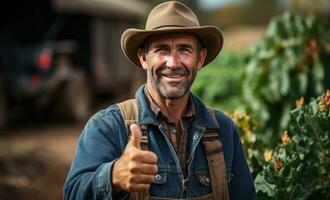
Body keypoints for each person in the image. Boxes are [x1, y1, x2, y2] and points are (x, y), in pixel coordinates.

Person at [63, 1, 256, 199]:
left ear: (200, 58)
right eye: (161, 50)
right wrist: (113, 176)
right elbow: (72, 193)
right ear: (143, 58)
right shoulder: (109, 126)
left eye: (184, 50)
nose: (173, 63)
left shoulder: (223, 130)